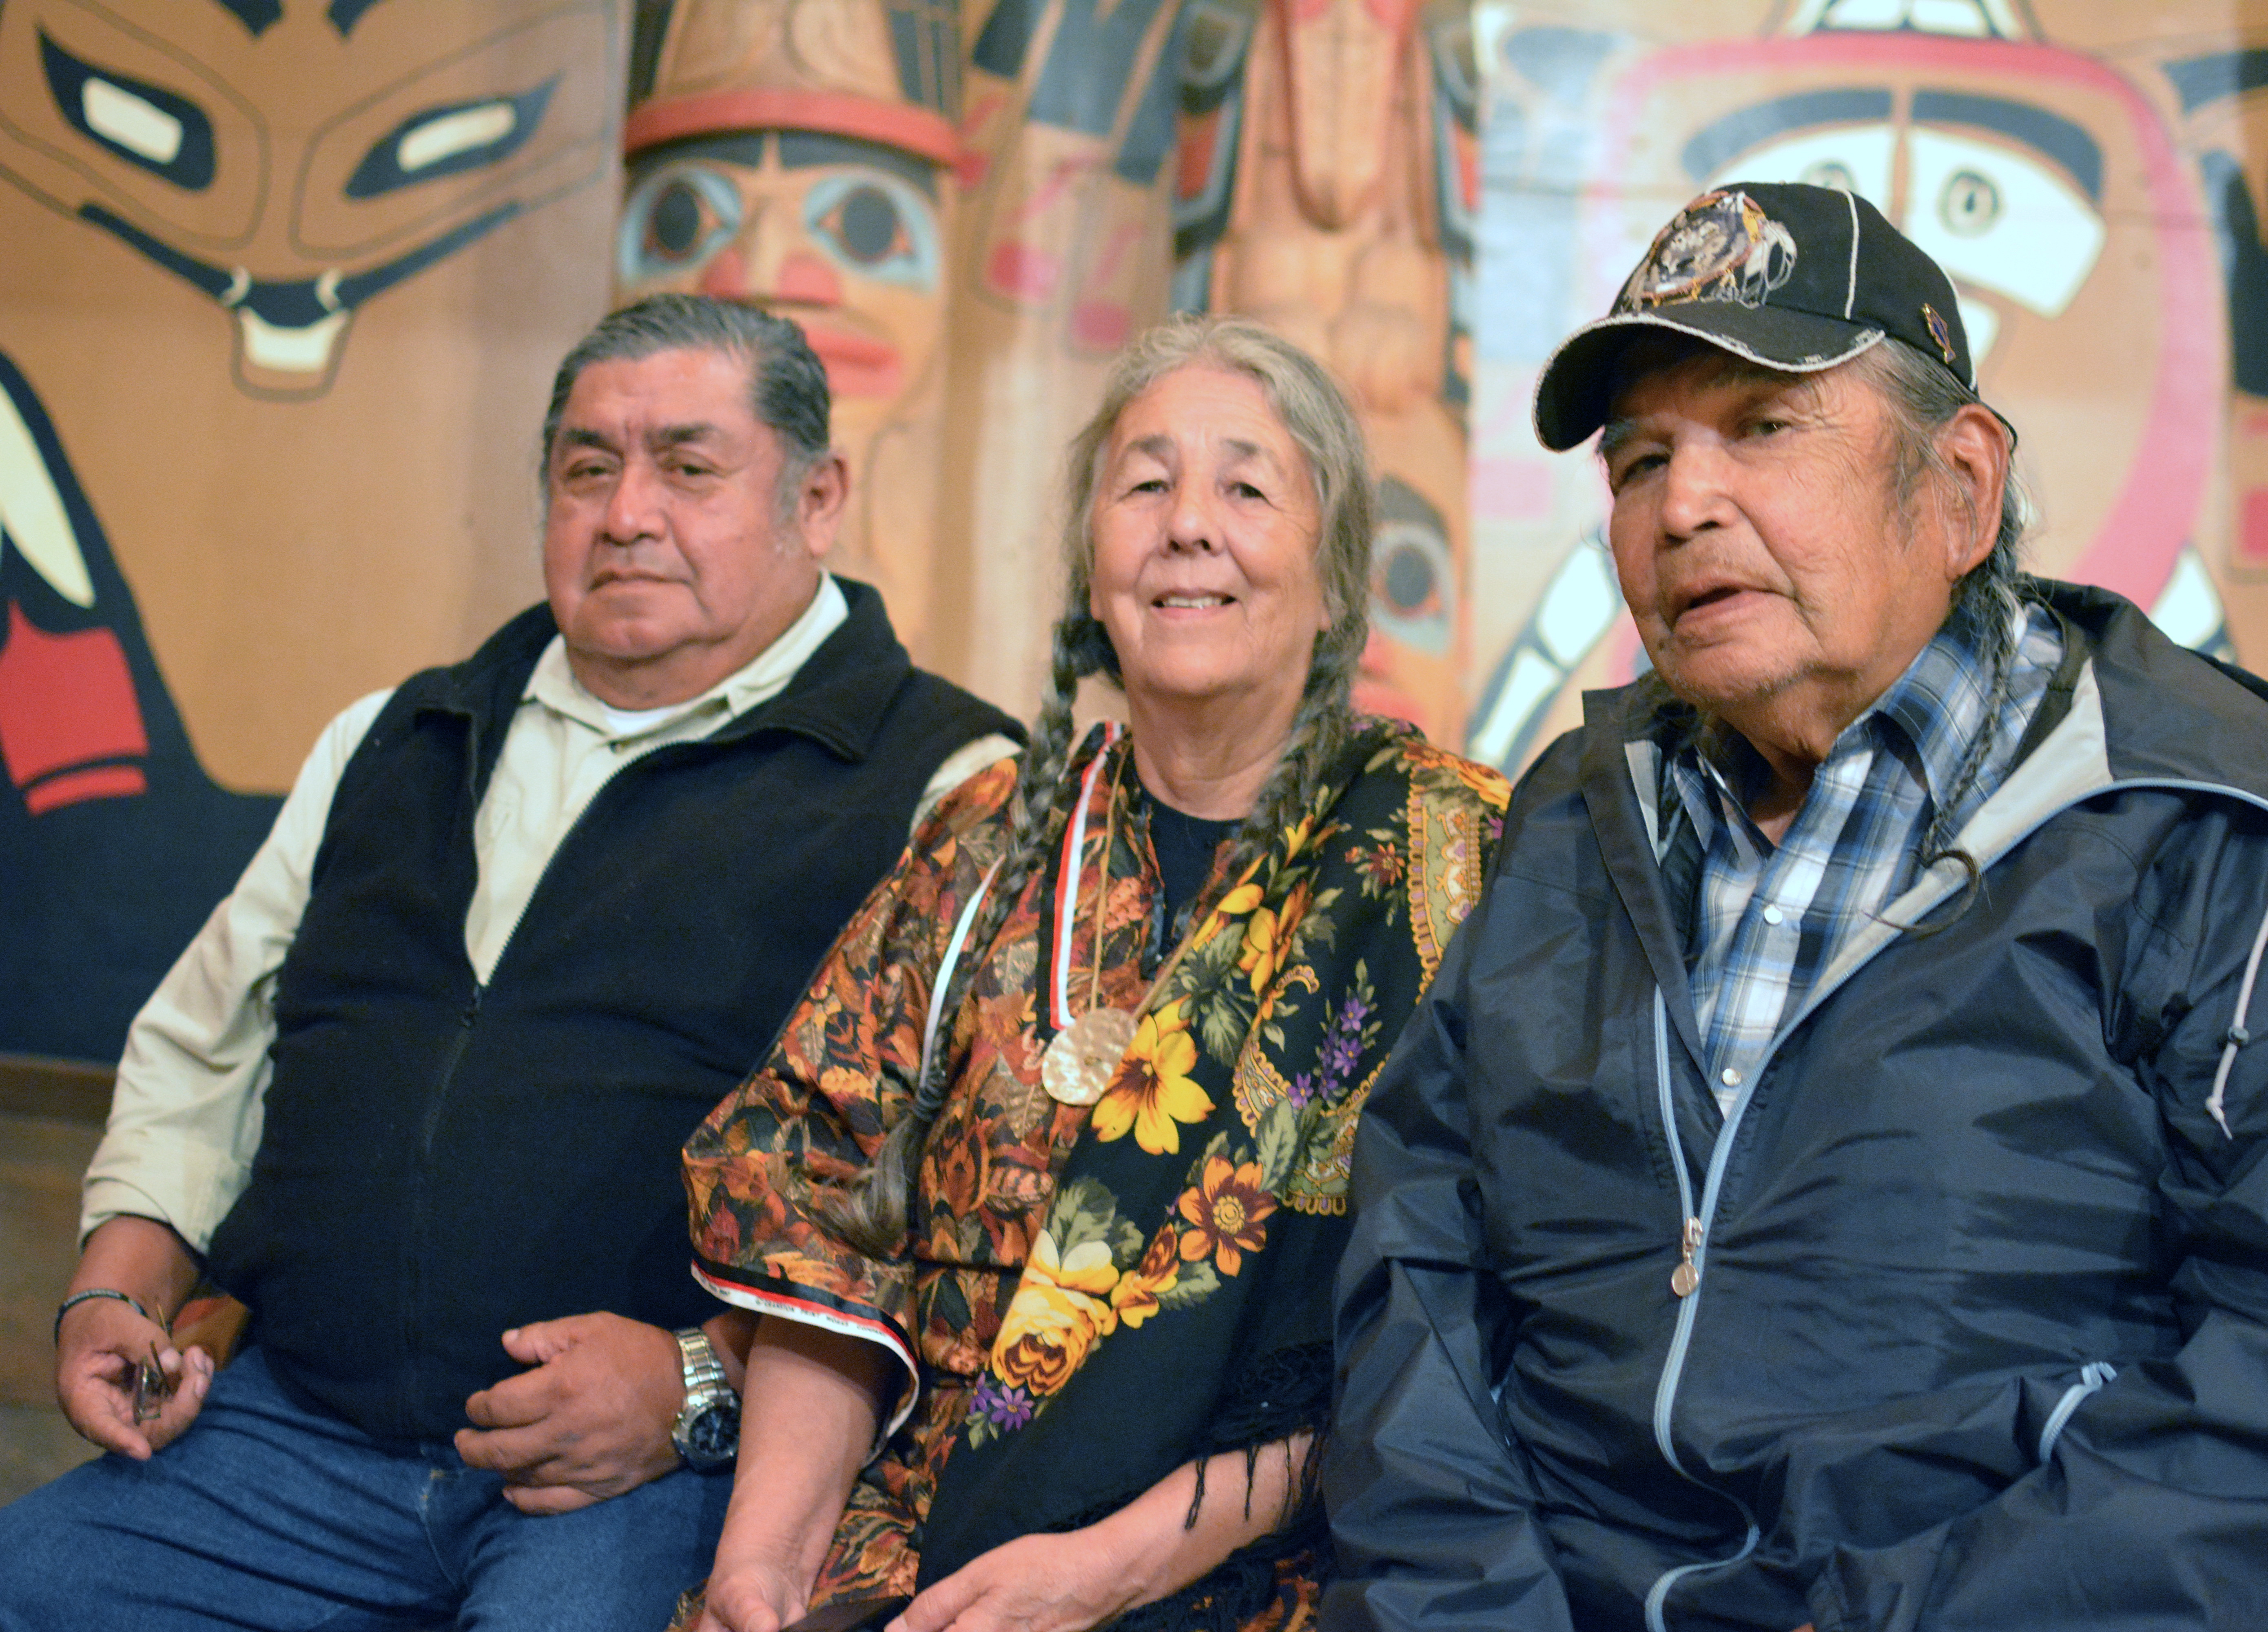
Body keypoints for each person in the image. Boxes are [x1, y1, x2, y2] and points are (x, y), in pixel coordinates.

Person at [1325, 182, 2268, 1631]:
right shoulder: (1573, 821)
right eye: (1642, 460)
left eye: (1763, 428)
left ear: (1961, 487)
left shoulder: (2226, 832)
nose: (1682, 507)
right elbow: (1419, 1263)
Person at [0, 293, 1020, 1630]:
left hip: (642, 1481)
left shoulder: (948, 786)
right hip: (293, 1433)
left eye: (690, 468)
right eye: (589, 468)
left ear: (817, 499)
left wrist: (695, 1383)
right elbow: (207, 1051)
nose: (627, 514)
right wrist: (113, 1291)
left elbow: (958, 1208)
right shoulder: (400, 734)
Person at [677, 315, 1508, 1632]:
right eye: (1145, 484)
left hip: (1269, 1571)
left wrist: (1096, 1574)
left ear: (1337, 578)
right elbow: (821, 1216)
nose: (1188, 527)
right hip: (924, 1547)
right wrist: (766, 1568)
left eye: (1247, 489)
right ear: (1091, 569)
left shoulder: (1456, 862)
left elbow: (1454, 1324)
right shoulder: (982, 842)